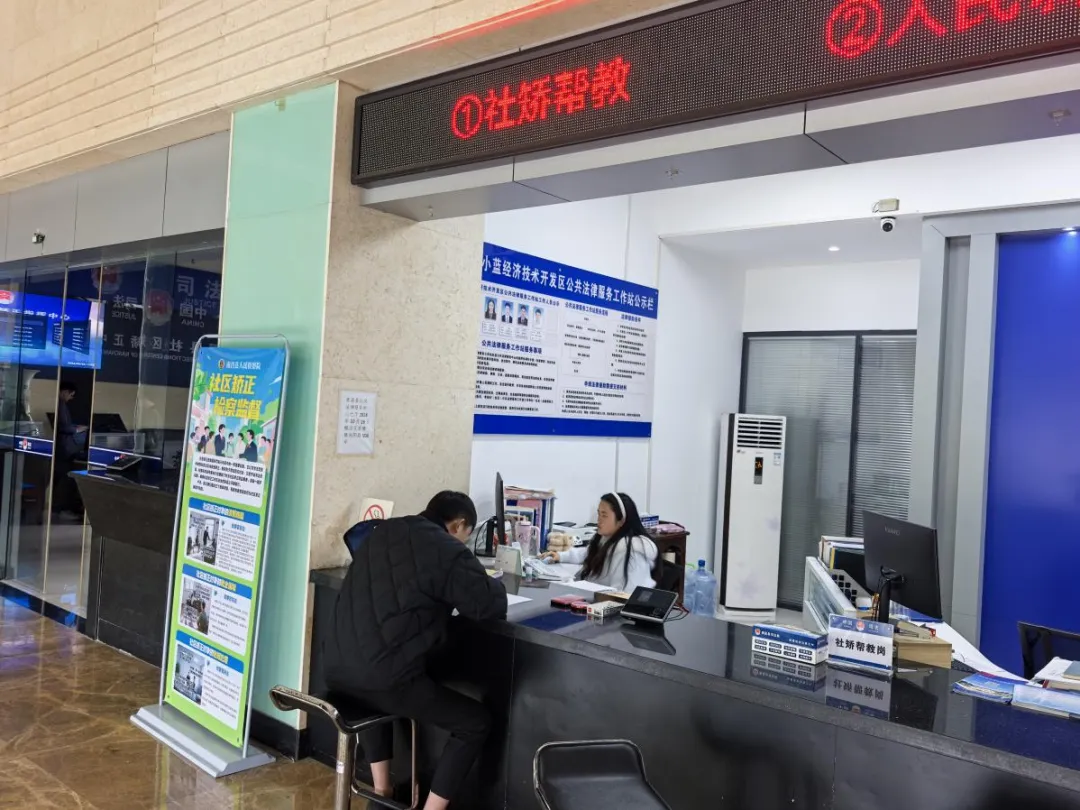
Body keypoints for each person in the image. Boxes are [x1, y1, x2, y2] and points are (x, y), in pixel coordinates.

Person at [325, 492, 507, 810]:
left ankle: (382, 790)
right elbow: (488, 605)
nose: (464, 542)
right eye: (466, 536)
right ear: (459, 524)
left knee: (370, 688)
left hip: (336, 669)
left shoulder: (383, 531)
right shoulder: (447, 549)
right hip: (382, 679)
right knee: (475, 723)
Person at [543, 492, 659, 593]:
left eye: (604, 515)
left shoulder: (631, 550)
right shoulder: (607, 539)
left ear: (621, 521)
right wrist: (560, 556)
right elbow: (588, 553)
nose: (599, 520)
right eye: (599, 514)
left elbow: (623, 595)